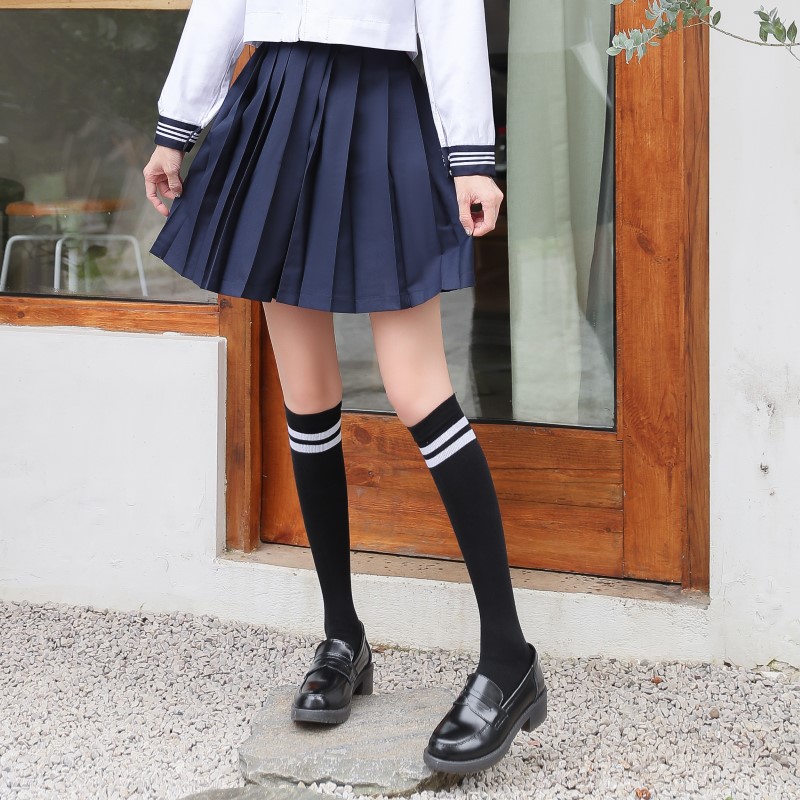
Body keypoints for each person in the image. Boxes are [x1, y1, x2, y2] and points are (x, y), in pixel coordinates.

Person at [142, 0, 547, 775]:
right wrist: (177, 124)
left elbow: (452, 13)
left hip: (381, 103)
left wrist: (471, 155)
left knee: (417, 389)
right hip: (274, 101)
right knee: (306, 392)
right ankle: (341, 636)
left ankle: (508, 655)